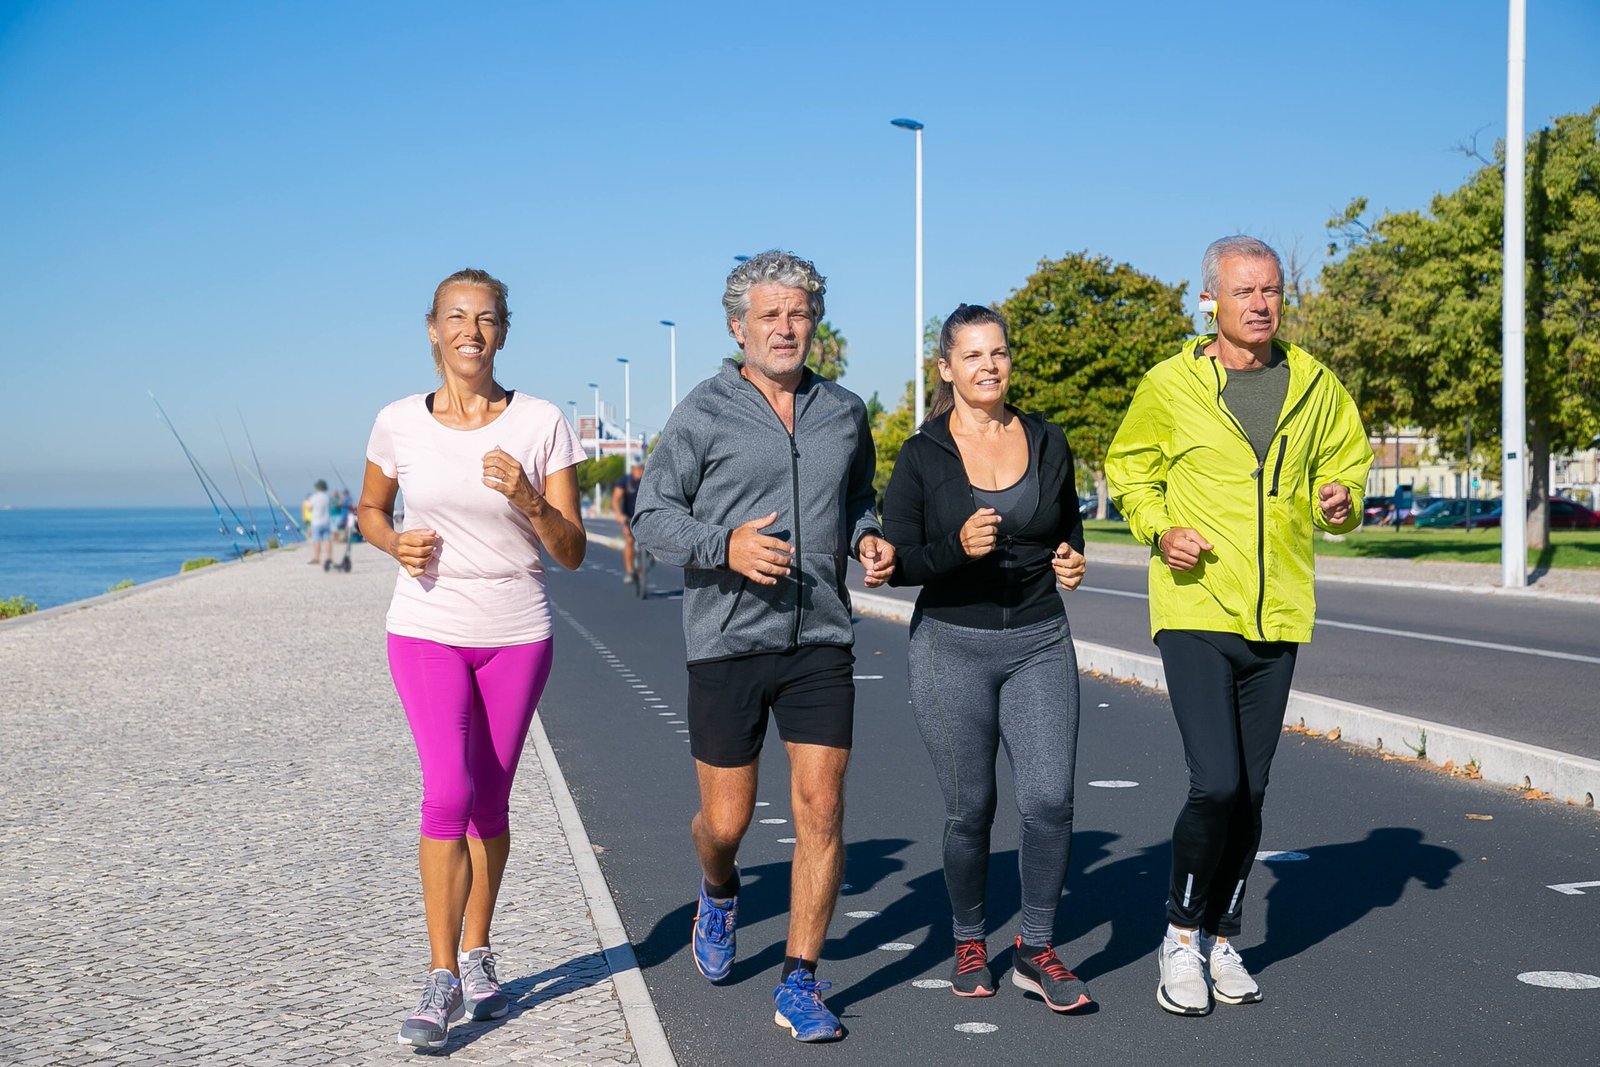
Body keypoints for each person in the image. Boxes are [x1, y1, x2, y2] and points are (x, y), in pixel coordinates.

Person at [1104, 235, 1372, 1017]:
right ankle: (1180, 936)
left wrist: (1341, 500)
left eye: (1273, 291)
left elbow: (1347, 464)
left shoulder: (1315, 383)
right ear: (1210, 301)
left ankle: (1223, 935)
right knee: (1215, 779)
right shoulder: (1170, 384)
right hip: (1194, 605)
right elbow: (1130, 467)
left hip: (1277, 610)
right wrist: (1160, 529)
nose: (1261, 304)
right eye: (1245, 292)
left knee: (1251, 792)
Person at [631, 250, 894, 1043]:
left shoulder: (843, 411)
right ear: (737, 325)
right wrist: (726, 546)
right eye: (770, 314)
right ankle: (718, 888)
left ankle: (800, 980)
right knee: (727, 819)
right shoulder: (704, 411)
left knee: (822, 806)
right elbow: (651, 515)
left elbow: (855, 496)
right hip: (727, 639)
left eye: (800, 312)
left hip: (820, 635)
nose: (786, 327)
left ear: (816, 322)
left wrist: (868, 535)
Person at [357, 268, 587, 1049]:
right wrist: (394, 541)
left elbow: (574, 550)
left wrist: (527, 496)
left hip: (517, 631)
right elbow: (370, 509)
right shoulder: (397, 421)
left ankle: (480, 950)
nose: (471, 331)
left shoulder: (542, 421)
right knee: (447, 789)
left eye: (486, 318)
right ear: (431, 328)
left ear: (504, 332)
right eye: (456, 317)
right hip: (426, 624)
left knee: (490, 800)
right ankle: (440, 976)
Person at [881, 303, 1093, 1013]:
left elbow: (1067, 522)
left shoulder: (1046, 438)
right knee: (972, 808)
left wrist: (1072, 556)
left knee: (1050, 799)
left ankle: (1036, 946)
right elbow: (895, 558)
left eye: (998, 352)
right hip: (951, 643)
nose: (989, 366)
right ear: (947, 367)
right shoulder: (922, 454)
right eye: (972, 356)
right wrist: (953, 550)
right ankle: (970, 938)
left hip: (1039, 638)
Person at [612, 460, 646, 582]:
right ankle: (630, 571)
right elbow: (616, 499)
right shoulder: (625, 481)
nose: (639, 471)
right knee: (629, 540)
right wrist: (619, 515)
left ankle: (647, 558)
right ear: (632, 469)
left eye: (641, 468)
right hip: (628, 516)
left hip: (644, 516)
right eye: (636, 469)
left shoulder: (648, 480)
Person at [307, 480, 332, 566]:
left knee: (316, 540)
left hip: (316, 522)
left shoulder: (313, 497)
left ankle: (317, 558)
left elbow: (309, 509)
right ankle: (329, 557)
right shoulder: (326, 497)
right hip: (326, 521)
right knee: (327, 540)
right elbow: (330, 505)